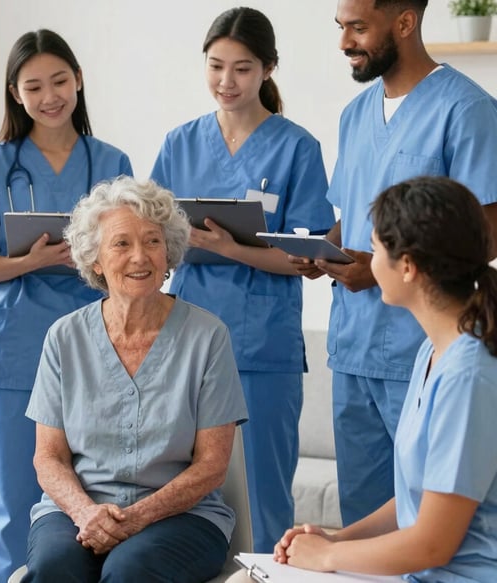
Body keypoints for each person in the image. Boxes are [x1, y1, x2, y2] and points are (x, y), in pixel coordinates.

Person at [288, 0, 497, 527]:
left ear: (405, 23)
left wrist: (387, 267)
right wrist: (322, 251)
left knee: (434, 523)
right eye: (341, 27)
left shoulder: (467, 111)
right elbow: (352, 218)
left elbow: (485, 234)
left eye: (358, 28)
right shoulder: (355, 116)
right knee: (362, 524)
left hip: (421, 351)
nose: (344, 43)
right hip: (353, 350)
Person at [149, 6, 335, 552]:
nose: (226, 82)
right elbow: (150, 238)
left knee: (262, 494)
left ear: (268, 70)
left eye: (243, 69)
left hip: (262, 347)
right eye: (216, 66)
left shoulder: (296, 148)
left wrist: (232, 249)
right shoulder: (178, 144)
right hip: (183, 344)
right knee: (179, 492)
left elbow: (309, 259)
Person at [0, 30, 132, 583]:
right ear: (15, 93)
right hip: (13, 347)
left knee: (92, 495)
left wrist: (88, 261)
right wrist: (31, 261)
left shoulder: (111, 160)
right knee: (12, 497)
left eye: (59, 81)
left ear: (78, 81)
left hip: (94, 349)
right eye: (34, 87)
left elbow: (130, 256)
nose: (49, 96)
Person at [21, 177, 247, 583]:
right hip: (79, 508)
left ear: (169, 252)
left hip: (183, 515)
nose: (140, 257)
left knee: (130, 570)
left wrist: (135, 517)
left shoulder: (208, 336)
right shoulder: (64, 337)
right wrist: (86, 512)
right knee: (55, 567)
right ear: (95, 259)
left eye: (153, 242)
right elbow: (48, 457)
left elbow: (213, 465)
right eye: (121, 244)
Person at [273, 176, 497, 581]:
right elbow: (418, 500)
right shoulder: (433, 351)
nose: (370, 261)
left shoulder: (470, 375)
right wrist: (335, 541)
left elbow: (433, 543)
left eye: (375, 250)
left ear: (408, 266)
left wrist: (325, 559)